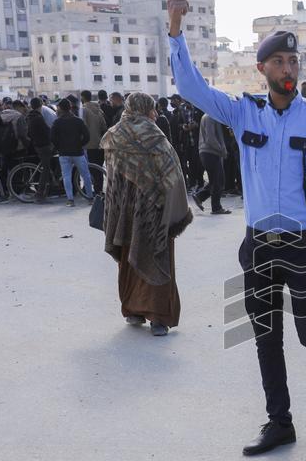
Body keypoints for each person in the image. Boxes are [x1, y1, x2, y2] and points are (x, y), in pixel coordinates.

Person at [168, 0, 306, 456]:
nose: (288, 68)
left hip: (304, 244)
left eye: (293, 62)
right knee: (266, 336)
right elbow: (191, 87)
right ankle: (280, 423)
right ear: (262, 70)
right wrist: (175, 29)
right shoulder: (243, 114)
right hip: (258, 244)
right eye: (279, 62)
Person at [102, 92, 193, 338]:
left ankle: (133, 310)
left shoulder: (113, 135)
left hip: (124, 214)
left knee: (128, 261)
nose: (155, 114)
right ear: (145, 109)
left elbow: (109, 180)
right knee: (156, 258)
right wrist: (175, 211)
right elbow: (173, 175)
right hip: (152, 212)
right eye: (152, 109)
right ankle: (158, 319)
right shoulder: (154, 137)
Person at [50, 99, 93, 207]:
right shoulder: (78, 121)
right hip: (78, 152)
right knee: (86, 175)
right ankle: (90, 198)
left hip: (64, 153)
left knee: (66, 176)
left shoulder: (57, 122)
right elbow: (87, 136)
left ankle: (70, 200)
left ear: (60, 108)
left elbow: (52, 138)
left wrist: (59, 147)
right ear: (70, 107)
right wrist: (80, 144)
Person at [194, 113, 232, 214]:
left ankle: (199, 196)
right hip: (211, 152)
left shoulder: (207, 116)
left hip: (208, 152)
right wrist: (222, 150)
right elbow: (211, 139)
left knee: (215, 180)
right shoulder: (211, 117)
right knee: (218, 180)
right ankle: (216, 207)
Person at [25, 97, 55, 203]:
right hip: (43, 145)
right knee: (45, 169)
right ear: (41, 104)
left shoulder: (30, 116)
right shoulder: (38, 117)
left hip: (37, 145)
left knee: (46, 167)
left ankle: (46, 191)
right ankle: (40, 194)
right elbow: (47, 131)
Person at [81, 90, 108, 194]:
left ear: (82, 97)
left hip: (88, 145)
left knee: (89, 169)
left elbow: (82, 127)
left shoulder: (84, 110)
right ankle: (99, 191)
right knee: (98, 169)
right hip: (99, 144)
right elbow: (104, 127)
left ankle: (89, 190)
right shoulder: (99, 110)